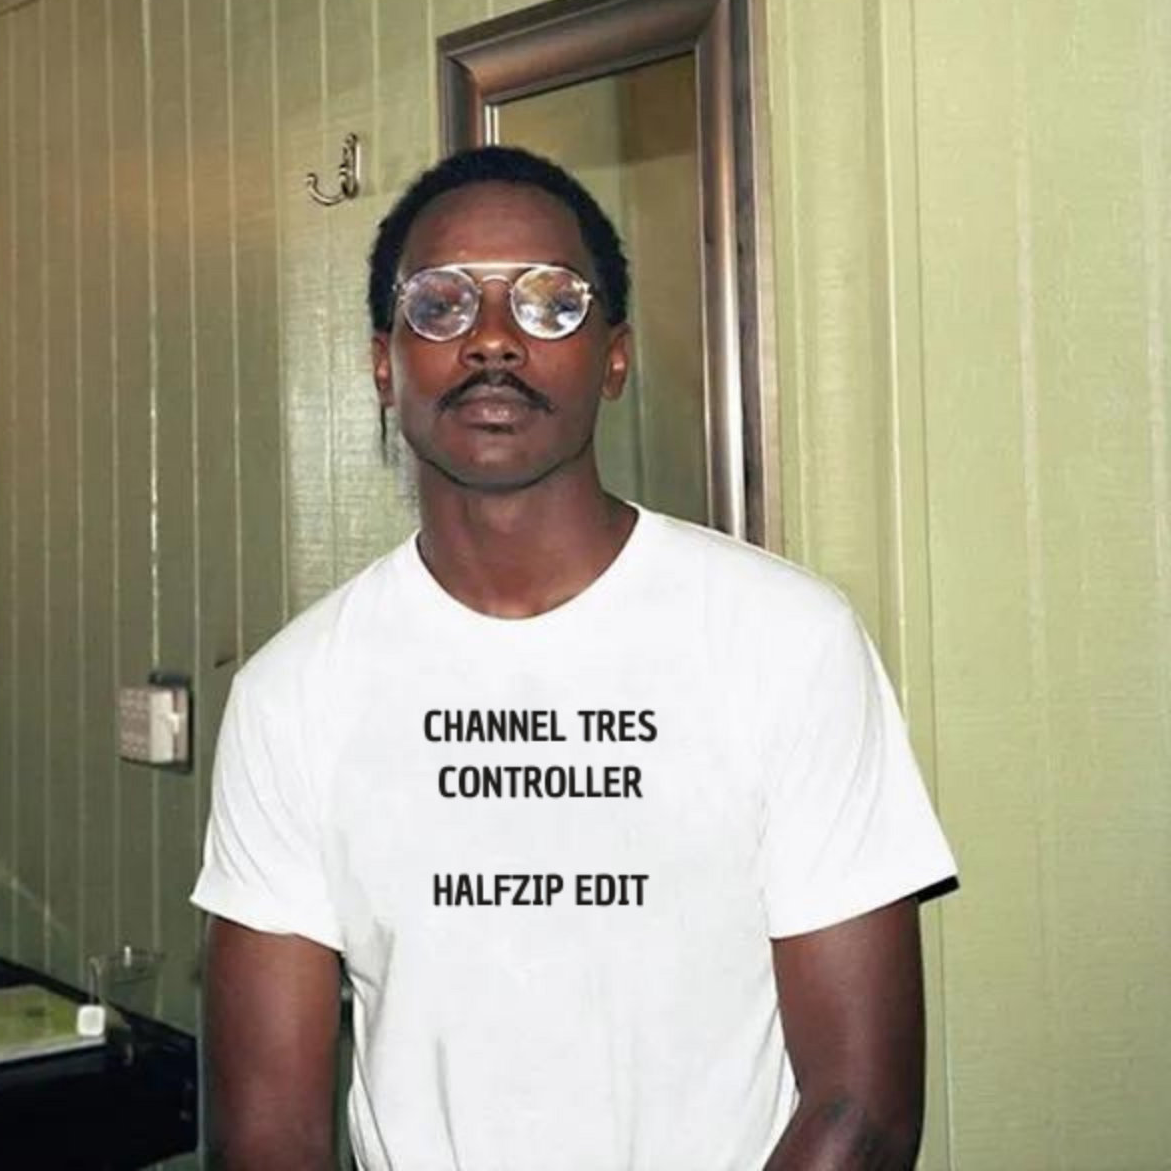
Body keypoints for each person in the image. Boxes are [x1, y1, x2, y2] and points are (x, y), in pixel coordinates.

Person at [191, 145, 957, 1171]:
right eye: (441, 304)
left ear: (615, 358)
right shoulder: (293, 696)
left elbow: (860, 1112)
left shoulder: (785, 641)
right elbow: (268, 1134)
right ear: (383, 365)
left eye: (550, 302)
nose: (492, 339)